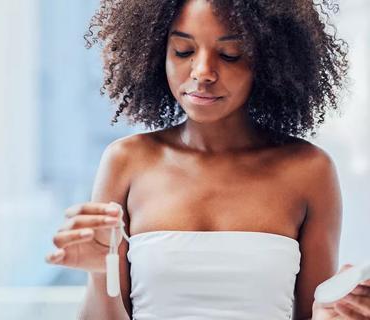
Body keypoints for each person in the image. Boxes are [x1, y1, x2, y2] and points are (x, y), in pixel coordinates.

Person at [46, 0, 370, 319]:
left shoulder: (309, 170)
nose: (202, 72)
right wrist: (100, 274)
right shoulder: (126, 161)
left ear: (271, 61)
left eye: (230, 55)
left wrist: (337, 315)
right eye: (183, 51)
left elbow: (311, 313)